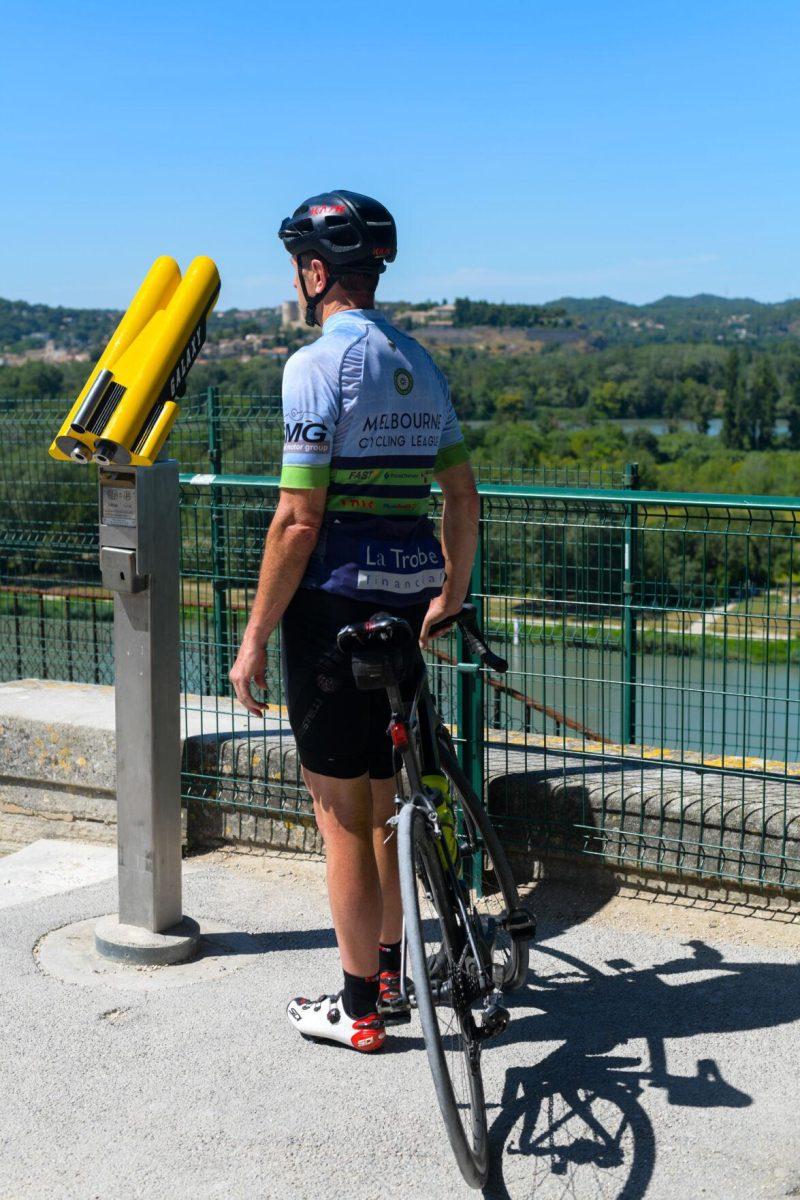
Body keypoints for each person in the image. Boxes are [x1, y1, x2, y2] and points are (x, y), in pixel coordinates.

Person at [229, 190, 479, 1052]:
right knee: (384, 798)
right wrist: (451, 590)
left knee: (338, 812)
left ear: (314, 270)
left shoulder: (313, 366)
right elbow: (460, 494)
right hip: (408, 597)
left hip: (333, 600)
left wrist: (255, 635)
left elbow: (298, 520)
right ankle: (391, 973)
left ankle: (359, 1008)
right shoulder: (418, 361)